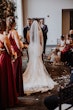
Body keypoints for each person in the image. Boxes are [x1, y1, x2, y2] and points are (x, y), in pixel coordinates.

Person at [23, 20, 57, 95]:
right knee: (38, 60)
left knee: (32, 61)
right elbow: (42, 42)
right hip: (37, 47)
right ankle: (38, 74)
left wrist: (32, 43)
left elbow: (28, 40)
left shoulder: (29, 32)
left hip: (31, 47)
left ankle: (32, 73)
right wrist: (41, 49)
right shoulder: (40, 32)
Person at [0, 19, 18, 109]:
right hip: (5, 59)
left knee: (2, 80)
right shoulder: (4, 37)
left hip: (0, 58)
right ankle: (9, 100)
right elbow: (9, 51)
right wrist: (13, 54)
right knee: (7, 79)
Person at [6, 16, 24, 96]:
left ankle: (12, 90)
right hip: (17, 53)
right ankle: (17, 91)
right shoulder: (14, 32)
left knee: (12, 71)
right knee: (16, 72)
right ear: (14, 23)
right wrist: (21, 48)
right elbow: (18, 44)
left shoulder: (8, 32)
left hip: (12, 53)